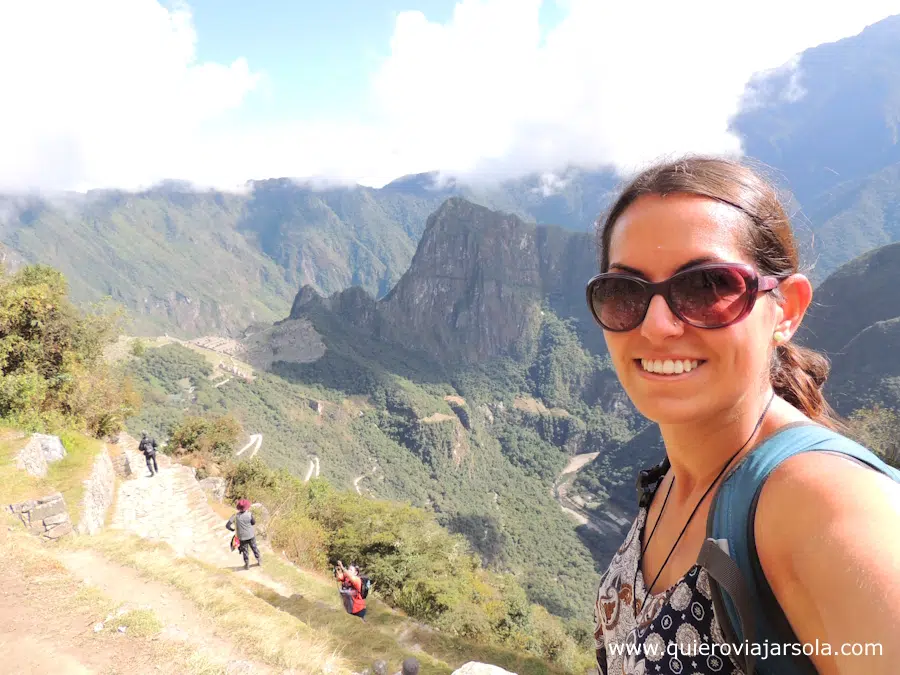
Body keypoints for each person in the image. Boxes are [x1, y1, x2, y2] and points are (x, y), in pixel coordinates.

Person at [586, 156, 900, 675]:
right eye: (624, 293)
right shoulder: (670, 479)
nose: (658, 325)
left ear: (787, 309)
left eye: (707, 287)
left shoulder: (824, 505)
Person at [226, 499, 261, 570]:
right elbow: (253, 522)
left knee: (245, 550)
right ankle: (259, 560)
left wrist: (232, 529)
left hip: (242, 537)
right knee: (254, 548)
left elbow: (227, 525)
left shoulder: (235, 516)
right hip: (250, 535)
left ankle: (247, 564)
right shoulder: (249, 514)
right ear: (246, 507)